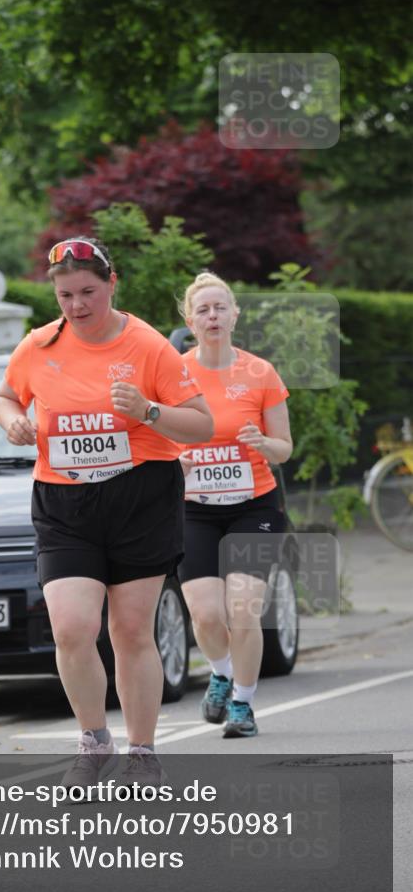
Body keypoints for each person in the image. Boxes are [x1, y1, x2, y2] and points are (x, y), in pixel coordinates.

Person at [0, 237, 213, 786]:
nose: (76, 305)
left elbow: (201, 424)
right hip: (64, 501)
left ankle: (142, 752)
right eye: (65, 295)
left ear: (112, 284)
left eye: (88, 292)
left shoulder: (148, 346)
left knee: (131, 630)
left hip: (140, 495)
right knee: (71, 628)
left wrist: (148, 410)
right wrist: (12, 421)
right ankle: (94, 742)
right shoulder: (38, 345)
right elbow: (6, 396)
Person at [177, 271, 293, 738]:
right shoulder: (174, 372)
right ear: (190, 320)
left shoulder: (260, 373)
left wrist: (263, 443)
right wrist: (175, 461)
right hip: (193, 508)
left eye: (220, 307)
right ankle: (222, 672)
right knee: (206, 613)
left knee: (243, 609)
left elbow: (284, 448)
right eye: (203, 310)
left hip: (253, 507)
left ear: (235, 315)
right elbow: (153, 438)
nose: (212, 316)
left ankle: (243, 704)